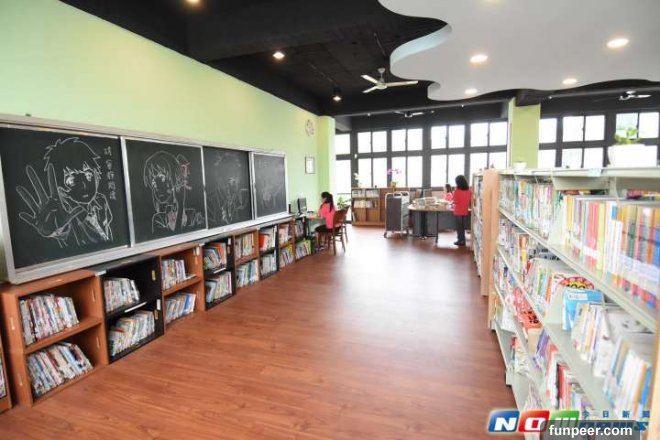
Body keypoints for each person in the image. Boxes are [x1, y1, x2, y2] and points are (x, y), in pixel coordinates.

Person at [452, 175, 471, 246]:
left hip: (458, 212)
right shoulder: (469, 191)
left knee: (459, 227)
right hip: (465, 211)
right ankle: (462, 240)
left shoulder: (457, 191)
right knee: (463, 227)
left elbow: (455, 201)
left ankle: (461, 240)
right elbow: (469, 201)